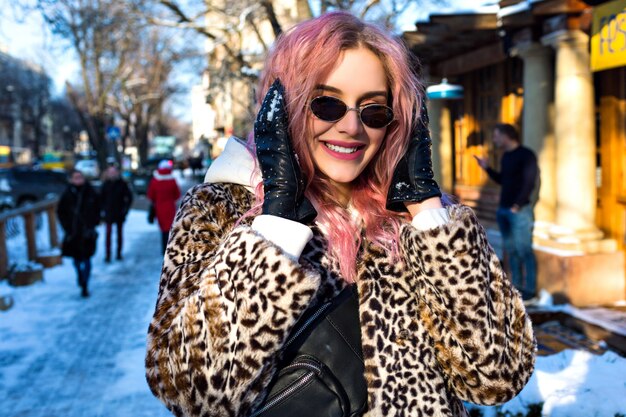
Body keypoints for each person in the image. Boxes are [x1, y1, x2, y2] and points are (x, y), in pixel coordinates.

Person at [146, 12, 535, 417]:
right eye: (327, 104)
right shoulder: (220, 210)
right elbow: (190, 393)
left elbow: (498, 378)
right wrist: (276, 227)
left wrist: (428, 213)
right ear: (285, 107)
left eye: (374, 111)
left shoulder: (426, 223)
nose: (352, 126)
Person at [474, 123, 539, 301]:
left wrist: (517, 205)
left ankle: (531, 289)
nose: (494, 140)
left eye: (496, 136)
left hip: (519, 211)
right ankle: (517, 286)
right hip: (503, 210)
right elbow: (503, 180)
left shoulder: (526, 155)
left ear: (506, 135)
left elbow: (530, 182)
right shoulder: (506, 156)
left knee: (524, 250)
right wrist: (486, 168)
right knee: (511, 250)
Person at [57, 169, 101, 297]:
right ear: (71, 179)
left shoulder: (90, 192)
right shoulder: (67, 194)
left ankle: (85, 282)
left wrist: (94, 223)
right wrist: (67, 227)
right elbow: (61, 212)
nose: (78, 180)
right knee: (76, 259)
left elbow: (97, 208)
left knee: (87, 258)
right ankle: (80, 277)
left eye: (80, 177)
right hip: (73, 232)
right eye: (75, 177)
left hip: (87, 231)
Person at [100, 165, 133, 262]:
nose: (112, 174)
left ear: (117, 173)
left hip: (119, 213)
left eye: (114, 172)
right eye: (110, 172)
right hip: (109, 213)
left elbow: (129, 197)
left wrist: (125, 210)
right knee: (108, 234)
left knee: (119, 234)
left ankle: (119, 253)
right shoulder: (105, 184)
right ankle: (108, 255)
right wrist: (103, 210)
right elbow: (101, 199)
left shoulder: (122, 184)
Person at [146, 159, 180, 254]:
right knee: (170, 228)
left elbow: (150, 195)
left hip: (159, 208)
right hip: (170, 207)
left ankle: (163, 249)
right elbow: (177, 194)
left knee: (163, 229)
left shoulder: (155, 180)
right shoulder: (172, 180)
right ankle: (170, 248)